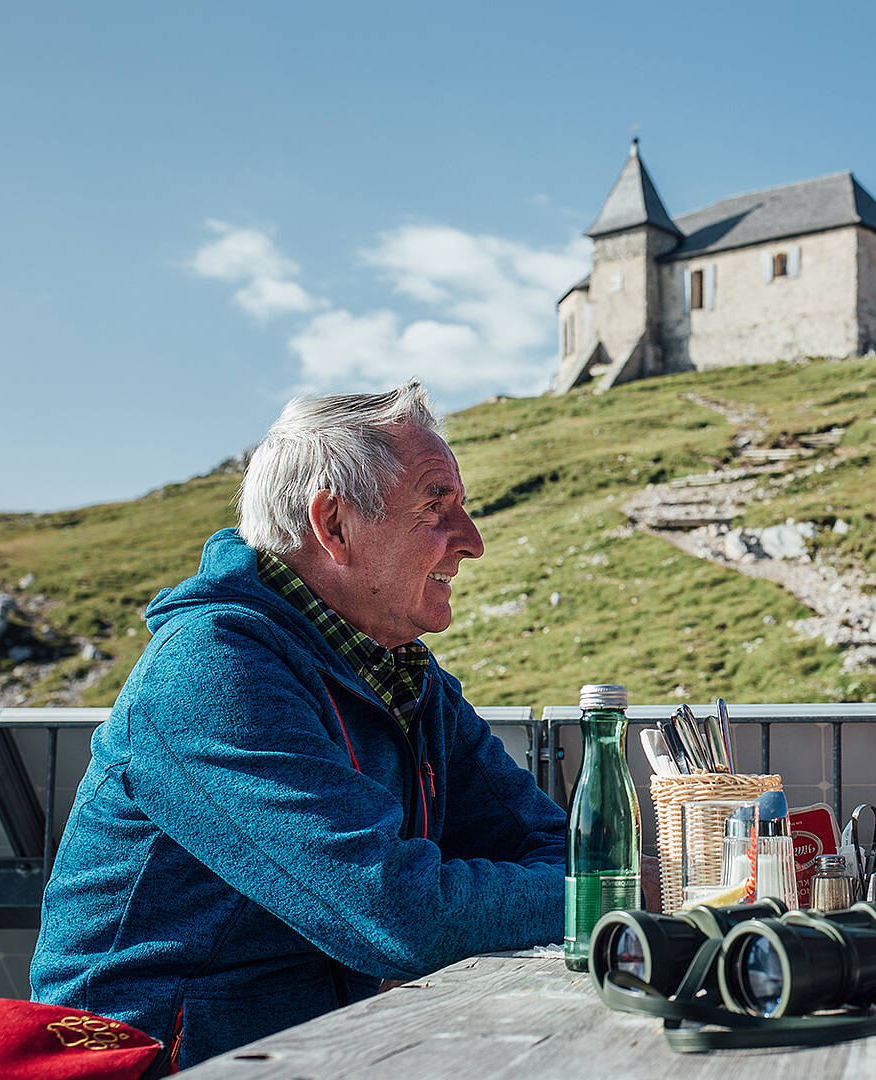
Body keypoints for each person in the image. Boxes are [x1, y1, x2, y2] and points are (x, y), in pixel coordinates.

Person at [32, 382, 566, 1069]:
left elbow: (550, 842)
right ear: (334, 525)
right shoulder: (210, 669)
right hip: (162, 1066)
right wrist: (603, 895)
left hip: (336, 1051)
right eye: (438, 506)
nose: (472, 542)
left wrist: (570, 885)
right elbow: (397, 913)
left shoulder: (405, 675)